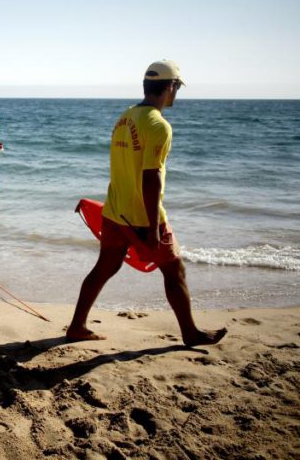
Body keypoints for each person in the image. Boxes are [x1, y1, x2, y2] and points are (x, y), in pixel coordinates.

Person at [67, 60, 227, 347]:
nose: (177, 92)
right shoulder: (158, 125)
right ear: (169, 87)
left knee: (105, 267)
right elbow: (151, 177)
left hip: (115, 210)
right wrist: (153, 228)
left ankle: (77, 326)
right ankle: (190, 333)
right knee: (174, 269)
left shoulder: (125, 117)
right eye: (177, 86)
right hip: (142, 216)